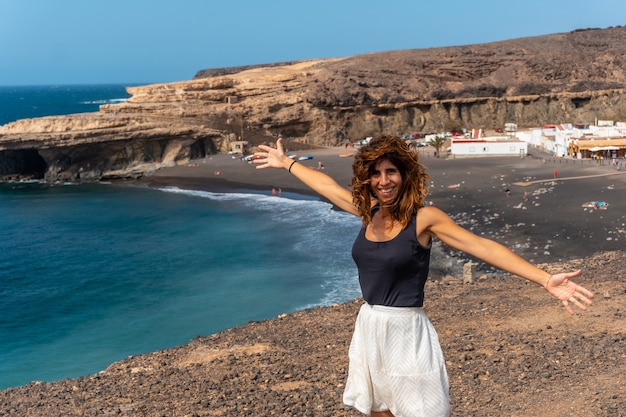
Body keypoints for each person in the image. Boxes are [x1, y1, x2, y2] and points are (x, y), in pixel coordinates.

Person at [254, 134, 594, 417]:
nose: (383, 181)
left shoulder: (425, 218)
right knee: (379, 410)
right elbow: (326, 186)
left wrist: (544, 279)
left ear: (405, 175)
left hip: (407, 331)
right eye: (375, 173)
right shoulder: (367, 211)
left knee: (424, 409)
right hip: (369, 325)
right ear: (366, 178)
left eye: (391, 172)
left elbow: (482, 247)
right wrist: (288, 163)